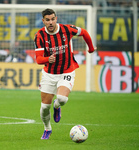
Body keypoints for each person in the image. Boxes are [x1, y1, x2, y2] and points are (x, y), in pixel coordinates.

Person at [34, 8, 96, 140]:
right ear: (43, 21)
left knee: (62, 99)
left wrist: (90, 48)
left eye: (53, 19)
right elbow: (38, 59)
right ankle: (47, 129)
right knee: (45, 107)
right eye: (47, 20)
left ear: (56, 19)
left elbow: (84, 32)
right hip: (49, 74)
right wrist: (47, 59)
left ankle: (57, 106)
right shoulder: (39, 35)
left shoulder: (66, 30)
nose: (51, 22)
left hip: (66, 70)